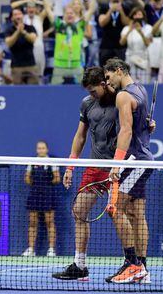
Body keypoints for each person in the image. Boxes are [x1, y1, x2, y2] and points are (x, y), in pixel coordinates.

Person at [51, 67, 119, 280]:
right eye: (88, 91)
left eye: (94, 91)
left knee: (126, 215)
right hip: (95, 166)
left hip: (119, 166)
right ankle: (80, 266)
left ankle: (136, 264)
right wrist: (70, 166)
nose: (91, 95)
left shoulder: (121, 100)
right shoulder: (87, 104)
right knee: (79, 211)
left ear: (104, 83)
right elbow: (80, 136)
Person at [105, 58, 154, 284]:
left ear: (118, 71)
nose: (108, 82)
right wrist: (149, 126)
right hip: (143, 158)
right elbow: (144, 126)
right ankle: (142, 267)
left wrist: (116, 164)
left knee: (115, 208)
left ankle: (132, 264)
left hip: (134, 160)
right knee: (136, 214)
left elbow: (125, 131)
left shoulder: (123, 95)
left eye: (108, 77)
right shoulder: (141, 90)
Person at [22, 140, 61, 257]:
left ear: (47, 149)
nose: (41, 150)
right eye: (39, 148)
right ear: (36, 150)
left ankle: (51, 250)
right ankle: (31, 249)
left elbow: (57, 179)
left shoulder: (51, 162)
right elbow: (27, 178)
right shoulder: (32, 162)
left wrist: (46, 183)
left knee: (50, 222)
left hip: (48, 195)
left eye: (43, 148)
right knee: (32, 222)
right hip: (34, 194)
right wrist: (35, 184)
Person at [45, 0, 91, 84]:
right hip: (60, 66)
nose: (69, 15)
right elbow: (48, 11)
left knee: (83, 90)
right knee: (54, 91)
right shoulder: (59, 25)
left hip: (76, 65)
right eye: (67, 13)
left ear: (75, 15)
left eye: (71, 13)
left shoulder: (80, 26)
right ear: (63, 16)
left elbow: (91, 11)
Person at [133, 0, 163, 79]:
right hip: (151, 40)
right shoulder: (148, 8)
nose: (157, 2)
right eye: (155, 0)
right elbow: (138, 0)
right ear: (151, 0)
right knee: (151, 65)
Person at [11, 0, 47, 79]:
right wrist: (26, 0)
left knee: (39, 74)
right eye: (29, 7)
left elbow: (49, 6)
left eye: (33, 7)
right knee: (28, 73)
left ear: (36, 9)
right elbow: (12, 6)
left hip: (38, 48)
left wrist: (37, 1)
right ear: (26, 9)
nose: (31, 9)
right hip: (27, 48)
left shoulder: (40, 18)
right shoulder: (23, 18)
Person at [98, 0, 130, 66]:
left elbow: (127, 23)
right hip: (106, 45)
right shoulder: (104, 8)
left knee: (121, 72)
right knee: (104, 71)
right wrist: (110, 11)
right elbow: (102, 23)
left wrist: (121, 11)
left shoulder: (126, 7)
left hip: (121, 46)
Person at [5, 8, 39, 85]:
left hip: (31, 65)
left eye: (19, 14)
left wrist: (23, 32)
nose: (18, 16)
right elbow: (8, 43)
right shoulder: (9, 30)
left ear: (23, 16)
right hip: (16, 66)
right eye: (15, 15)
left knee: (34, 90)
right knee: (18, 92)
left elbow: (33, 39)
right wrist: (17, 32)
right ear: (12, 18)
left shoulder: (30, 28)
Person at [120, 7, 152, 84]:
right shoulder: (126, 28)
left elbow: (148, 43)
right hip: (130, 59)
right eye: (135, 15)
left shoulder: (148, 28)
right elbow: (121, 42)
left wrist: (140, 32)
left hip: (143, 59)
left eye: (139, 14)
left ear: (143, 17)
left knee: (144, 83)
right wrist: (129, 30)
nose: (137, 17)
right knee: (130, 84)